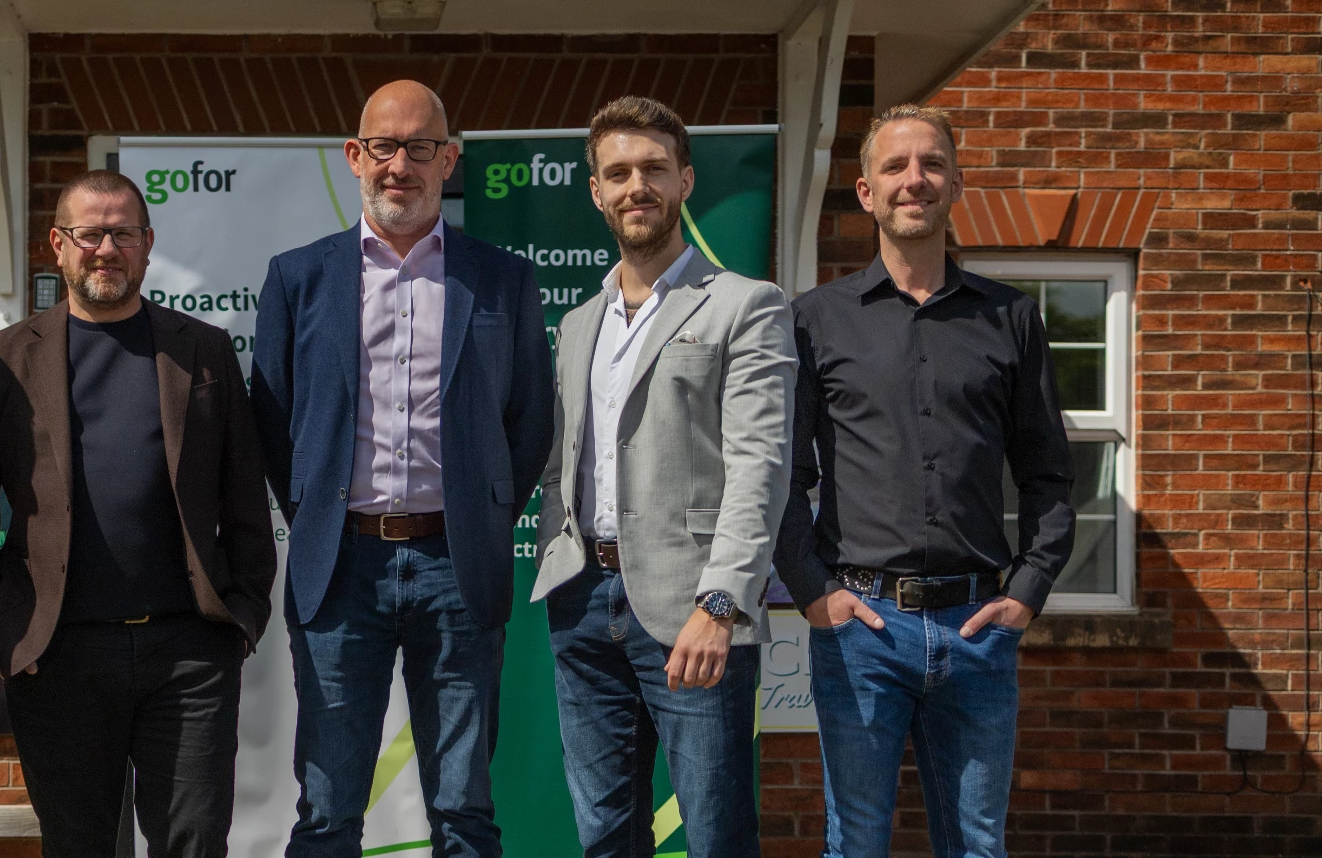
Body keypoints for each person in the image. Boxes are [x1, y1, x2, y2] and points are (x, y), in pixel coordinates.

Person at [250, 80, 554, 858]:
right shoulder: (298, 277)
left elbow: (528, 423)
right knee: (326, 807)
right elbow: (273, 419)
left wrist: (480, 513)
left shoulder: (502, 278)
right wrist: (319, 512)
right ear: (354, 156)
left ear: (449, 160)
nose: (400, 165)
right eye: (384, 147)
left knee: (463, 808)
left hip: (458, 567)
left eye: (420, 148)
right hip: (340, 566)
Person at [0, 169, 276, 858]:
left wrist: (240, 617)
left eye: (123, 233)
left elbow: (246, 495)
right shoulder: (5, 360)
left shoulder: (202, 350)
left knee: (194, 842)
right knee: (78, 845)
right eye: (90, 233)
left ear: (148, 244)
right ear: (58, 245)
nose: (107, 249)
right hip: (59, 655)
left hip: (188, 653)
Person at [774, 104, 1076, 858]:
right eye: (896, 167)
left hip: (979, 628)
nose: (916, 179)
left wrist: (1028, 590)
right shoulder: (815, 320)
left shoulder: (1011, 319)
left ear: (957, 182)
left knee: (977, 845)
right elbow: (783, 473)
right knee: (856, 844)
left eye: (932, 164)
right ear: (866, 192)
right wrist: (815, 592)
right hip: (861, 632)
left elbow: (1047, 473)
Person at [531, 96, 796, 858]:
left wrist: (722, 602)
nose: (634, 186)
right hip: (584, 608)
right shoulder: (580, 322)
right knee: (606, 837)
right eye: (617, 173)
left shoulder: (746, 306)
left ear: (684, 180)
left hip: (694, 611)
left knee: (716, 837)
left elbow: (761, 467)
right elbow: (562, 465)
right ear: (595, 191)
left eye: (653, 169)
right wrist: (560, 558)